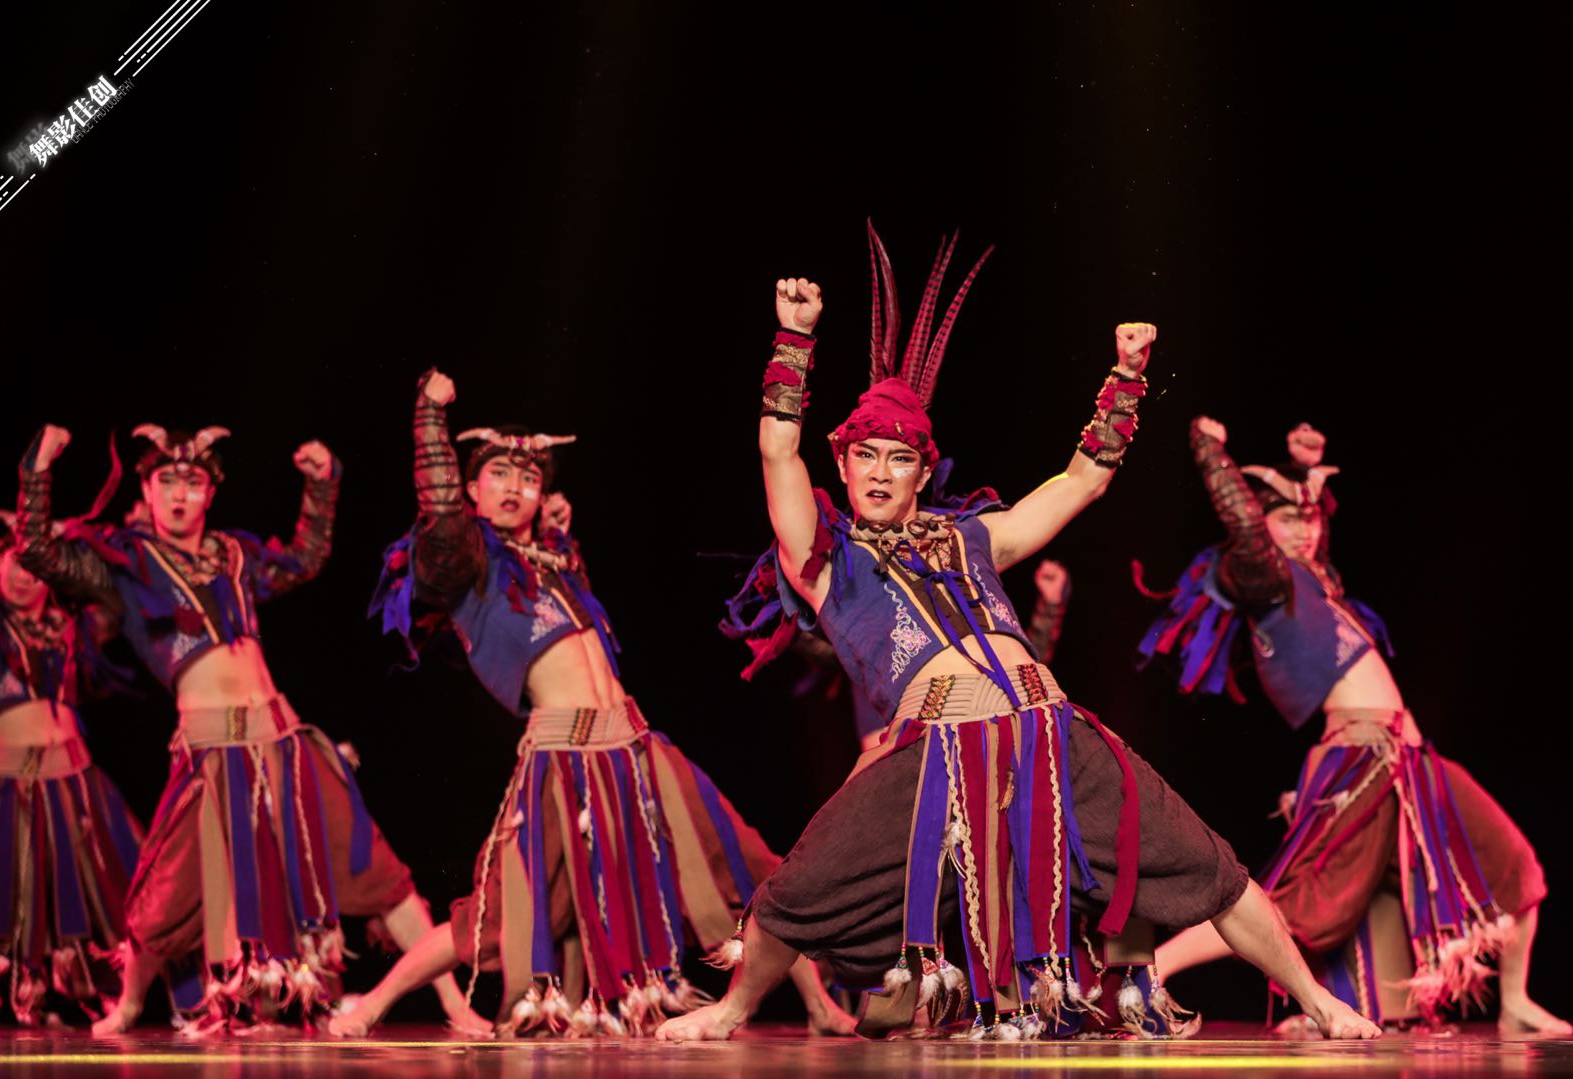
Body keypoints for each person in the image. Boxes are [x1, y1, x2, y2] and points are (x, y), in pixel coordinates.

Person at [668, 223, 1379, 1042]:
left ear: (921, 471)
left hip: (1051, 731)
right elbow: (775, 452)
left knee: (1210, 866)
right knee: (797, 889)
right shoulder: (824, 562)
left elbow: (1079, 482)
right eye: (864, 455)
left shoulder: (975, 536)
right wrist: (795, 337)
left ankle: (1319, 1002)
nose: (878, 471)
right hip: (934, 752)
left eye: (897, 458)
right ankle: (732, 1008)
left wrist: (1126, 375)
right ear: (843, 462)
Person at [330, 370, 855, 1038]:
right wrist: (429, 417)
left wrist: (559, 540)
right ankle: (372, 1005)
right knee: (497, 913)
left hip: (637, 748)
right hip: (564, 760)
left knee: (750, 864)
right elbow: (436, 506)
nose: (514, 485)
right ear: (471, 490)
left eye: (528, 475)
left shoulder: (549, 560)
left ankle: (819, 1004)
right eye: (497, 473)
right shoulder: (464, 558)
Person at [14, 423, 468, 1034]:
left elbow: (305, 558)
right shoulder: (124, 562)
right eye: (165, 481)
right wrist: (37, 470)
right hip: (209, 749)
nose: (179, 494)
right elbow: (38, 551)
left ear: (211, 492)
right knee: (166, 886)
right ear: (145, 490)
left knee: (377, 870)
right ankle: (129, 1004)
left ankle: (453, 1004)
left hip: (283, 740)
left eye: (192, 482)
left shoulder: (234, 555)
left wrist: (322, 485)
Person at [1139, 419, 1567, 1035]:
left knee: (1513, 863)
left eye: (1311, 518)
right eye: (1287, 519)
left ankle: (1515, 1001)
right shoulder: (1268, 580)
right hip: (1361, 758)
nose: (1304, 529)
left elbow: (1308, 528)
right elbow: (1245, 525)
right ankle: (1155, 968)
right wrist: (1211, 452)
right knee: (1304, 903)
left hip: (1412, 761)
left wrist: (1302, 467)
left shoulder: (1320, 586)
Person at [0, 513, 142, 1028]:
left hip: (77, 779)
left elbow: (115, 601)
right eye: (15, 562)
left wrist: (62, 543)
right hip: (10, 780)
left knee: (116, 887)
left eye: (35, 566)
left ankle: (121, 995)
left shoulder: (72, 626)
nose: (24, 576)